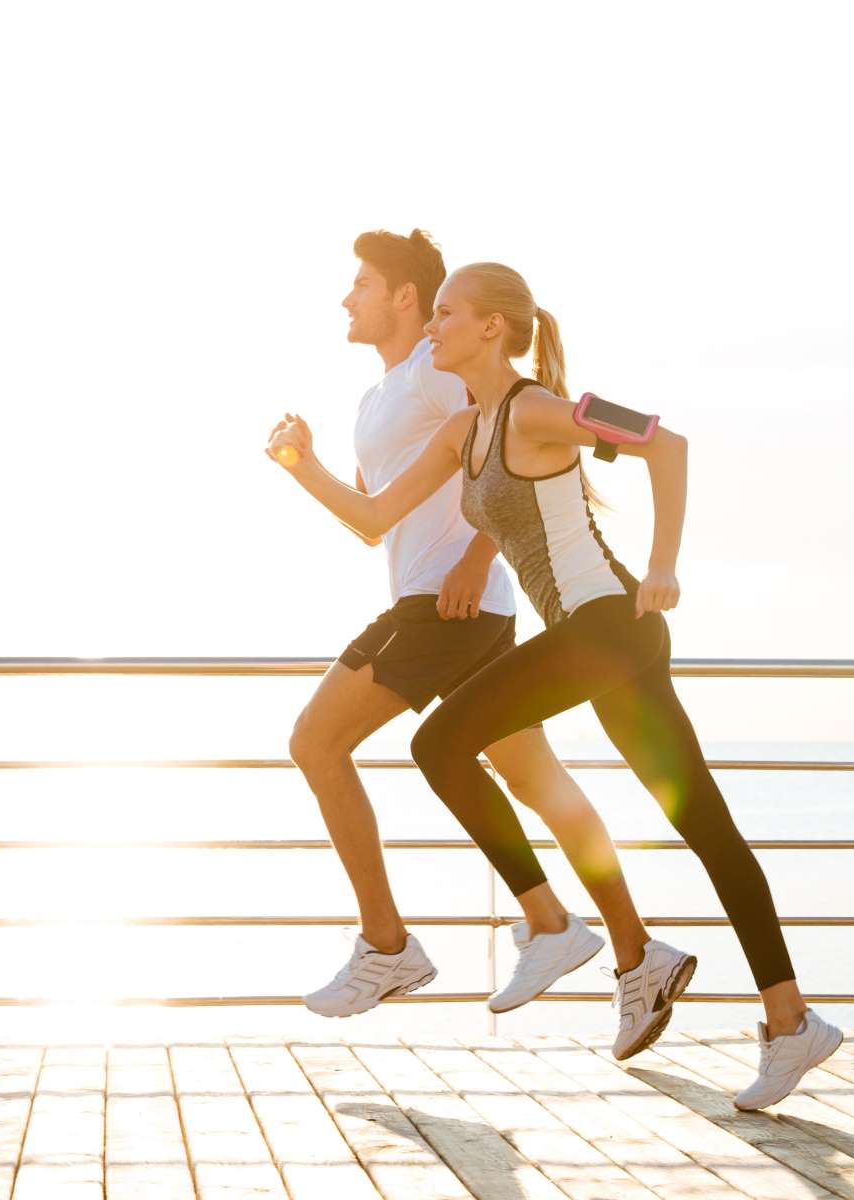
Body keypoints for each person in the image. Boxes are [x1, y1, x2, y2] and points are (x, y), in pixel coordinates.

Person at [266, 260, 844, 1110]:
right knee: (702, 822)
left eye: (449, 313)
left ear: (492, 328)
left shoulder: (539, 408)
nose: (433, 326)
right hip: (599, 643)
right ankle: (792, 1024)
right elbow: (375, 519)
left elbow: (665, 442)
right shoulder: (464, 433)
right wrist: (300, 465)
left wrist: (662, 565)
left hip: (611, 624)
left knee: (440, 741)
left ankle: (550, 926)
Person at [278, 230, 694, 1055]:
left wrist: (484, 554)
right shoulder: (391, 399)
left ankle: (396, 945)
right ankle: (633, 951)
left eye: (363, 283)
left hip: (474, 609)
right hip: (467, 609)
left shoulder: (461, 381)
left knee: (318, 742)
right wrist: (307, 466)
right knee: (542, 782)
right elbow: (383, 515)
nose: (347, 298)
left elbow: (541, 445)